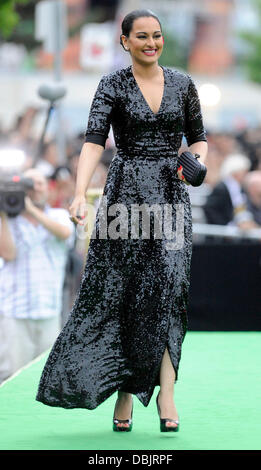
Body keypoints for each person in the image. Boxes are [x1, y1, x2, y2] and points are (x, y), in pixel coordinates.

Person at [36, 9, 208, 432]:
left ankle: (167, 395)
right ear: (125, 41)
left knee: (169, 292)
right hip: (125, 198)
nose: (151, 43)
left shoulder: (184, 84)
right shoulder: (111, 84)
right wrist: (79, 193)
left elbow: (199, 138)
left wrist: (196, 162)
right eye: (142, 37)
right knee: (125, 295)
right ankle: (125, 394)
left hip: (170, 198)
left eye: (157, 36)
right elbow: (94, 142)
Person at [0, 168, 75, 383]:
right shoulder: (8, 221)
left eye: (40, 183)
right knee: (14, 377)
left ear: (47, 188)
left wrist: (30, 210)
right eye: (30, 184)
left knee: (48, 377)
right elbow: (8, 254)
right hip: (15, 313)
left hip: (48, 310)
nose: (35, 188)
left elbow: (65, 233)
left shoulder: (58, 215)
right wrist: (4, 215)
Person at [203, 153, 257, 229]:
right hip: (221, 234)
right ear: (236, 172)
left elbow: (240, 208)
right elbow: (209, 209)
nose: (246, 174)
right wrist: (224, 227)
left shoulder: (239, 188)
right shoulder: (222, 188)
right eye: (244, 171)